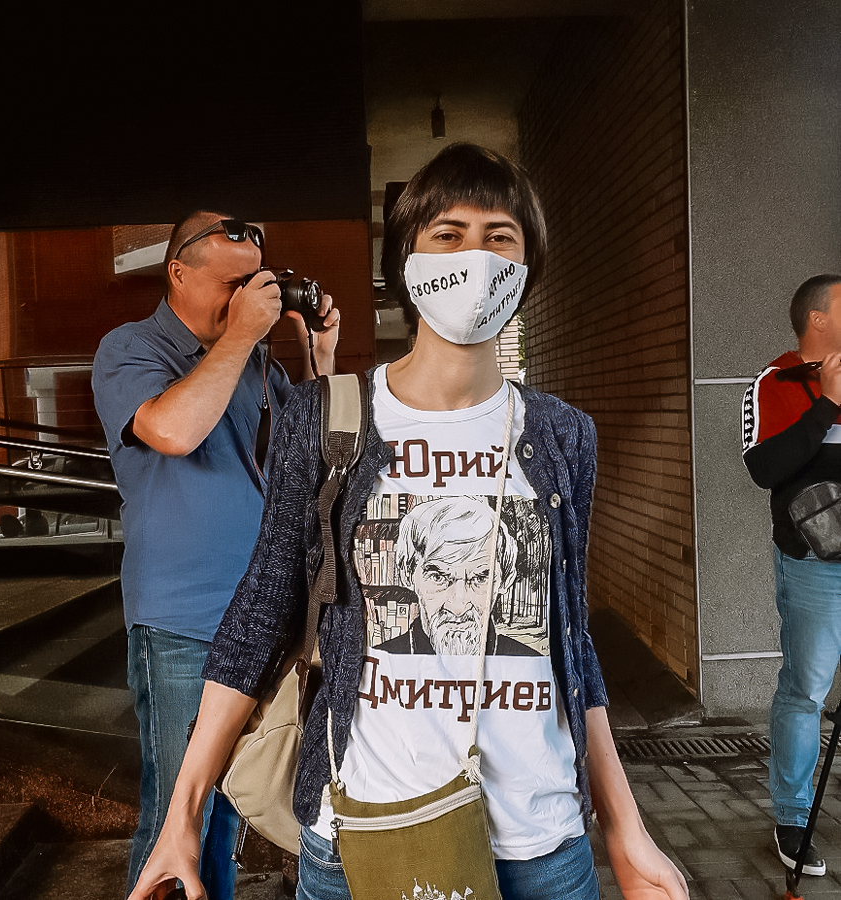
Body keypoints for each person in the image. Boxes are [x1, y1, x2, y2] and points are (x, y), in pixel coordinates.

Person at [127, 144, 689, 900]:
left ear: (528, 266)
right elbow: (262, 612)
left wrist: (625, 828)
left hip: (540, 847)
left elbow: (568, 640)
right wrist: (181, 815)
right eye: (447, 234)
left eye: (500, 236)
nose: (476, 258)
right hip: (364, 842)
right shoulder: (327, 419)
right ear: (405, 261)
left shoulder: (562, 435)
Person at [91, 211, 339, 899]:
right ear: (178, 273)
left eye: (256, 283)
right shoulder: (131, 348)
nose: (247, 299)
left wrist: (320, 357)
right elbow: (172, 429)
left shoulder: (258, 364)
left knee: (231, 813)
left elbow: (321, 456)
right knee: (179, 818)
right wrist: (240, 336)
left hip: (257, 624)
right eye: (232, 284)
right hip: (183, 624)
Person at [741, 273, 841, 878]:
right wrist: (827, 402)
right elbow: (765, 468)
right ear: (818, 318)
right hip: (814, 567)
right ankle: (794, 817)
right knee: (806, 691)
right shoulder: (775, 382)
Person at [377, 496, 537, 656]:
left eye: (480, 579)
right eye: (438, 577)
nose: (458, 608)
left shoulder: (530, 661)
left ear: (505, 580)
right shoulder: (382, 659)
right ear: (407, 574)